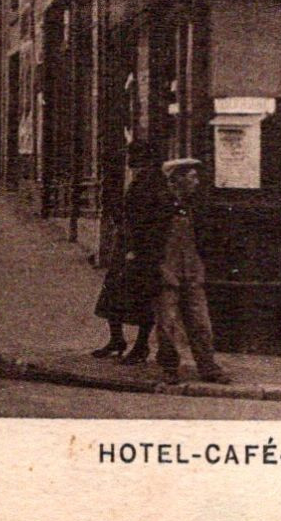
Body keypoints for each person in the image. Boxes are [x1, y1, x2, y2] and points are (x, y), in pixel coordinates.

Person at [138, 158, 231, 385]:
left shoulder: (195, 206)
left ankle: (208, 366)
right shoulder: (158, 205)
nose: (196, 182)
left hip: (192, 271)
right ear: (177, 179)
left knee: (200, 322)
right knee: (167, 323)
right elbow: (146, 240)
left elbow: (205, 239)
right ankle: (169, 367)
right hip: (166, 271)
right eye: (192, 177)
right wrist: (157, 267)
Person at [91, 138, 161, 363]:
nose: (132, 164)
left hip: (140, 248)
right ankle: (117, 339)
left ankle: (140, 346)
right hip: (126, 244)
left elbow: (143, 218)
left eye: (136, 160)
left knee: (140, 297)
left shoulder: (151, 182)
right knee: (113, 290)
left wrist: (134, 248)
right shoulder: (134, 179)